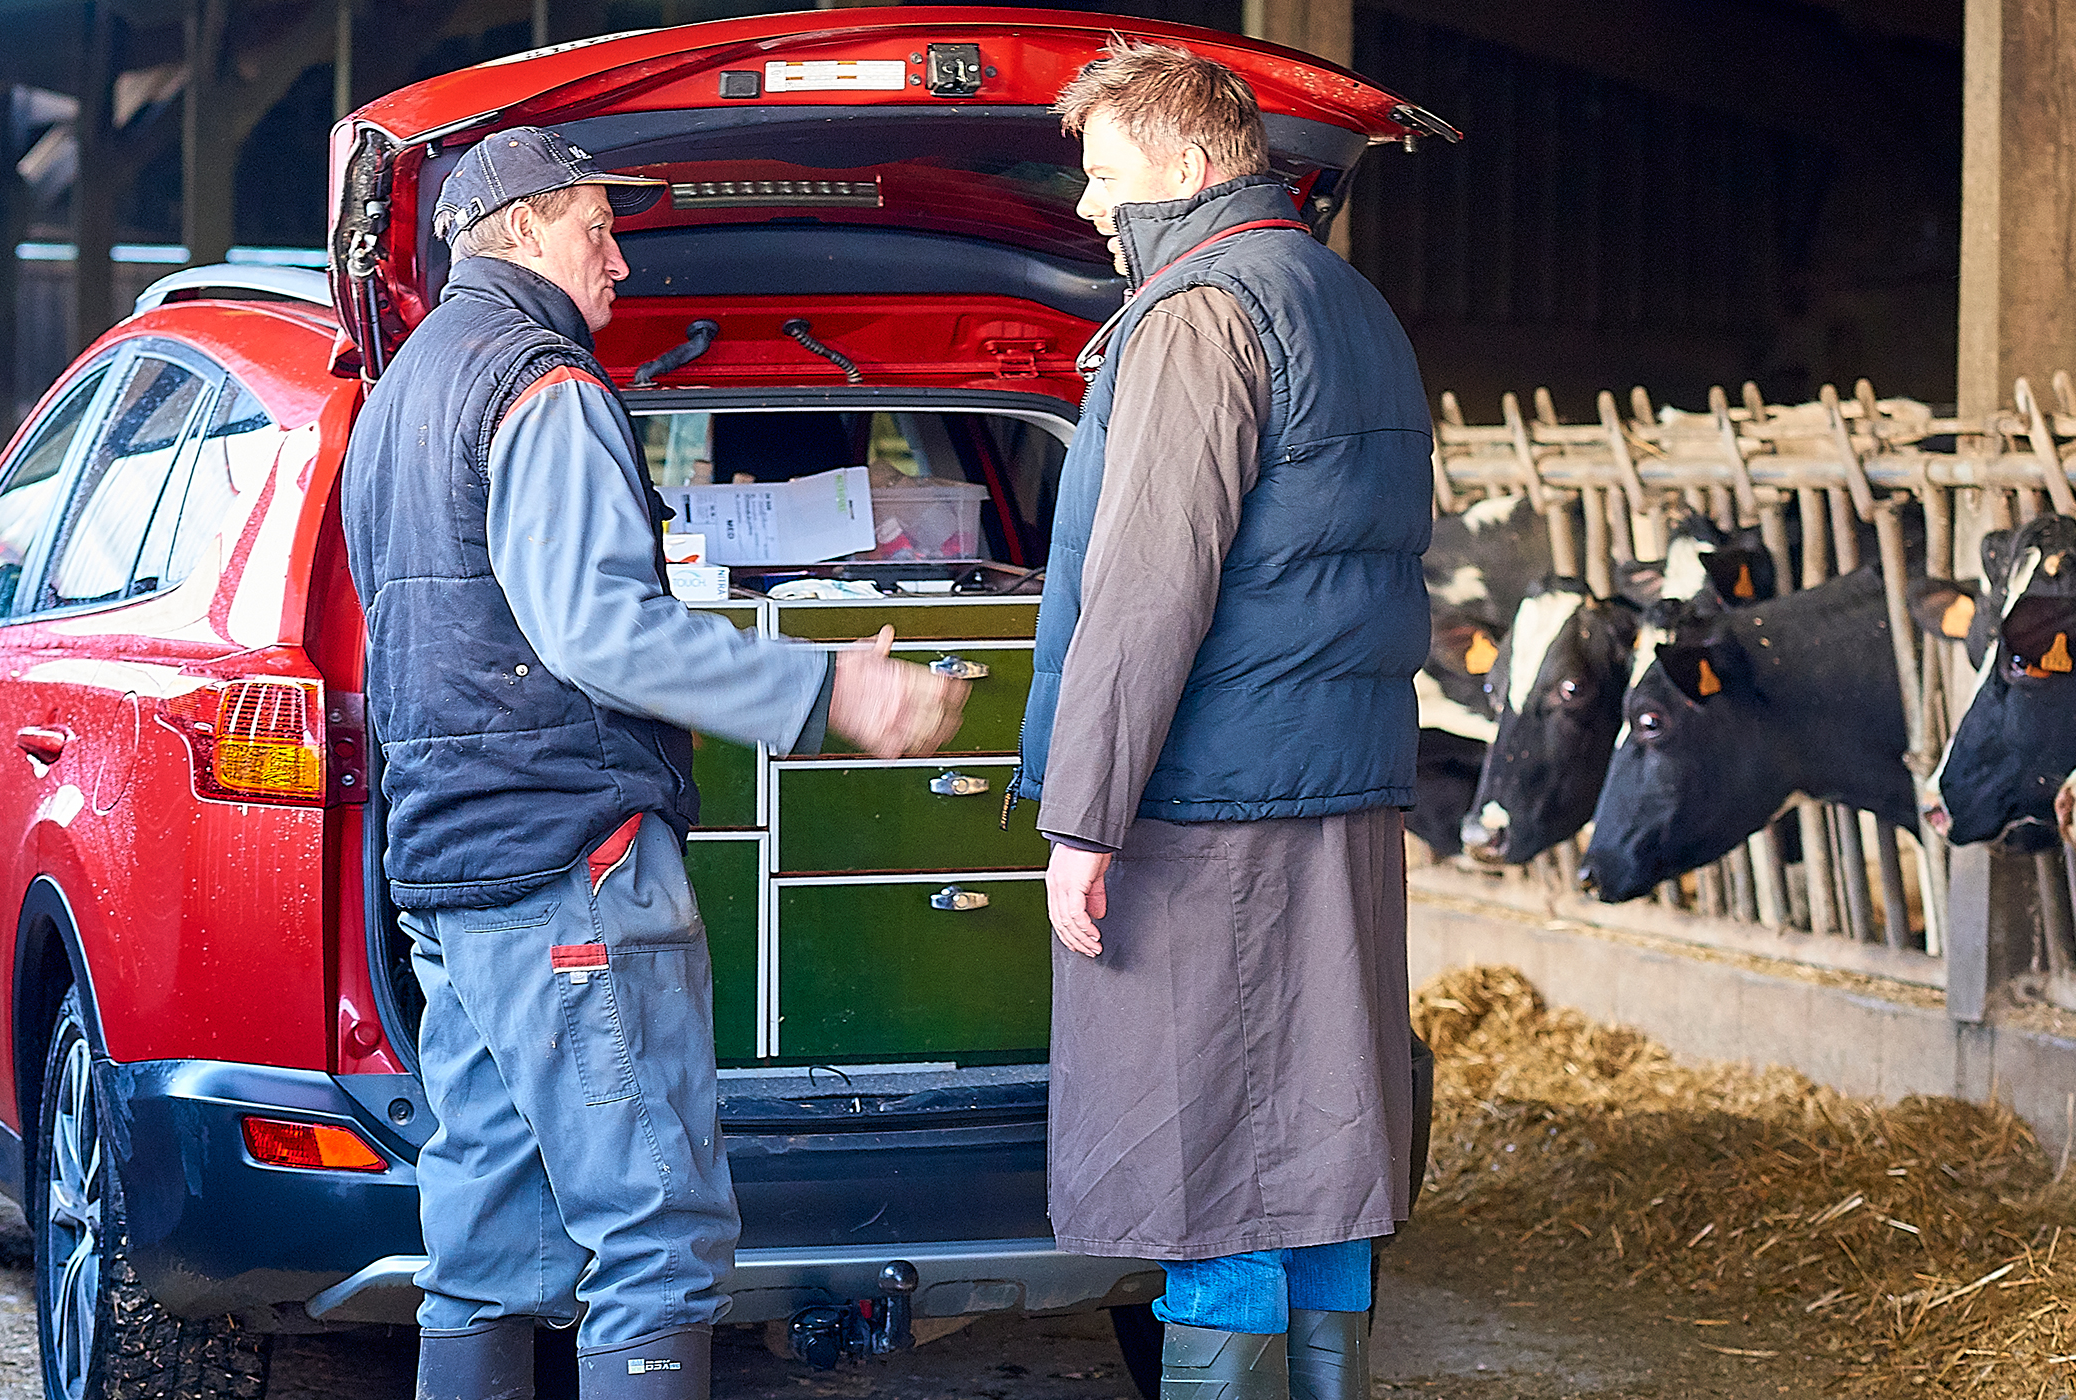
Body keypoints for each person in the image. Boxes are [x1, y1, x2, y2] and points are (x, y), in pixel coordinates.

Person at [339, 127, 968, 1400]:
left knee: (481, 1247)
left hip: (450, 875)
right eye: (597, 227)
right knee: (656, 1239)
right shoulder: (542, 386)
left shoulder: (397, 394)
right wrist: (825, 685)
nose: (621, 259)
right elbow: (600, 629)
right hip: (569, 864)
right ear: (520, 229)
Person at [1010, 40, 1436, 1400]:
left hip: (1213, 812)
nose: (1088, 211)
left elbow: (1149, 587)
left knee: (1211, 1157)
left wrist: (1084, 814)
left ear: (1190, 168)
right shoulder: (1351, 302)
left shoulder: (1200, 313)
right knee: (1319, 1143)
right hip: (1342, 799)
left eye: (1105, 178)